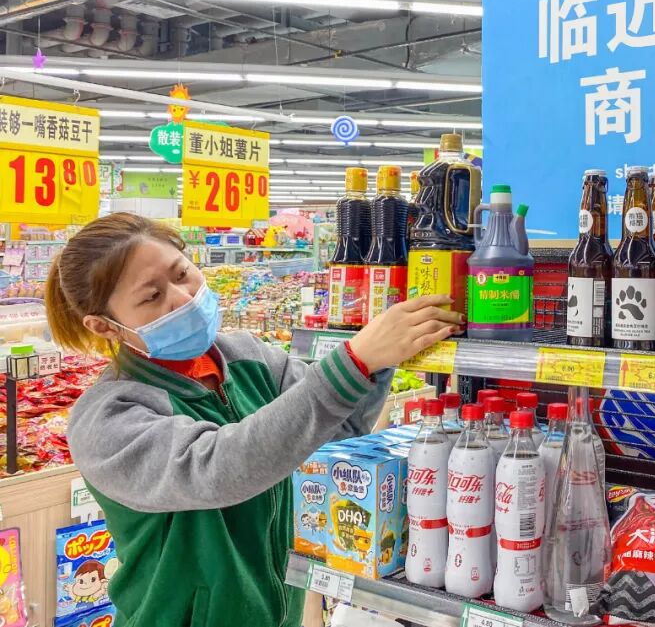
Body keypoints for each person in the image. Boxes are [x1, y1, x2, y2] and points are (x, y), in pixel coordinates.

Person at [46, 213, 460, 627]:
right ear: (105, 326)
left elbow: (335, 431)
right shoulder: (108, 418)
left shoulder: (248, 357)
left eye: (182, 273)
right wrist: (355, 361)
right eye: (152, 296)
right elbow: (219, 468)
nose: (183, 298)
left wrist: (382, 355)